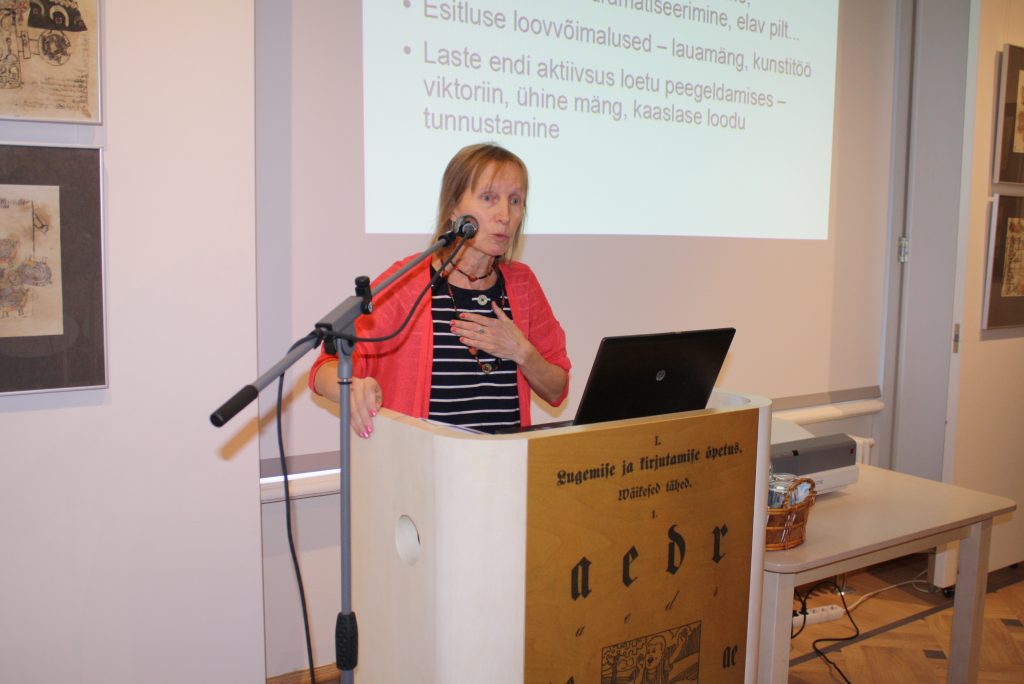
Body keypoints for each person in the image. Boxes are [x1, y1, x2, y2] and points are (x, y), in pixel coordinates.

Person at [309, 143, 570, 437]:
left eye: (515, 200)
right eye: (489, 198)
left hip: (507, 461)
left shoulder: (522, 283)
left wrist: (522, 352)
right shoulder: (408, 282)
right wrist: (351, 388)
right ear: (453, 208)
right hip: (426, 462)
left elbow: (557, 389)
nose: (505, 215)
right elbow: (324, 368)